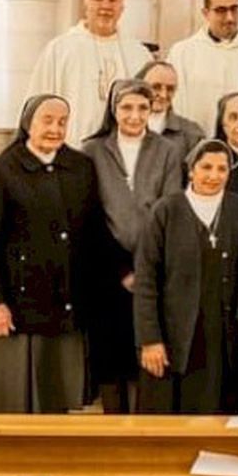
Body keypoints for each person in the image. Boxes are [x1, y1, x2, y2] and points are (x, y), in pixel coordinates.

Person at [0, 94, 105, 413]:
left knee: (63, 396)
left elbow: (94, 230)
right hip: (21, 302)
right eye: (47, 120)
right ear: (28, 123)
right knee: (19, 397)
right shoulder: (3, 169)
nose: (55, 128)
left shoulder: (81, 166)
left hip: (69, 299)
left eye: (62, 121)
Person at [82, 79, 187, 413]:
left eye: (143, 107)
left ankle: (144, 435)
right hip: (108, 270)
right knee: (110, 358)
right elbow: (90, 214)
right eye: (126, 107)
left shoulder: (168, 151)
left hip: (152, 267)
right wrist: (122, 269)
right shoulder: (93, 150)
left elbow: (168, 209)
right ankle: (114, 435)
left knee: (148, 354)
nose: (135, 114)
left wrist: (143, 270)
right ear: (114, 110)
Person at [135, 139, 238, 414]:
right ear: (191, 170)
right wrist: (150, 339)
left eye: (222, 169)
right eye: (206, 167)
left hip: (224, 338)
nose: (214, 176)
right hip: (176, 336)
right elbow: (146, 280)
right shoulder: (166, 211)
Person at [27, 0, 153, 145]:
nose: (106, 6)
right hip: (71, 147)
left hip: (123, 150)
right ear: (85, 6)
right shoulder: (61, 49)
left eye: (113, 0)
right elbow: (39, 102)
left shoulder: (138, 53)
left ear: (122, 8)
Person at [165, 0, 238, 136]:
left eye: (234, 9)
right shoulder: (182, 53)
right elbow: (175, 105)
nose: (229, 17)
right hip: (198, 143)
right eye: (221, 11)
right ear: (206, 13)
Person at [136, 60, 206, 162]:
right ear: (139, 86)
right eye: (156, 87)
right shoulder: (120, 129)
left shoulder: (192, 134)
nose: (163, 95)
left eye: (170, 89)